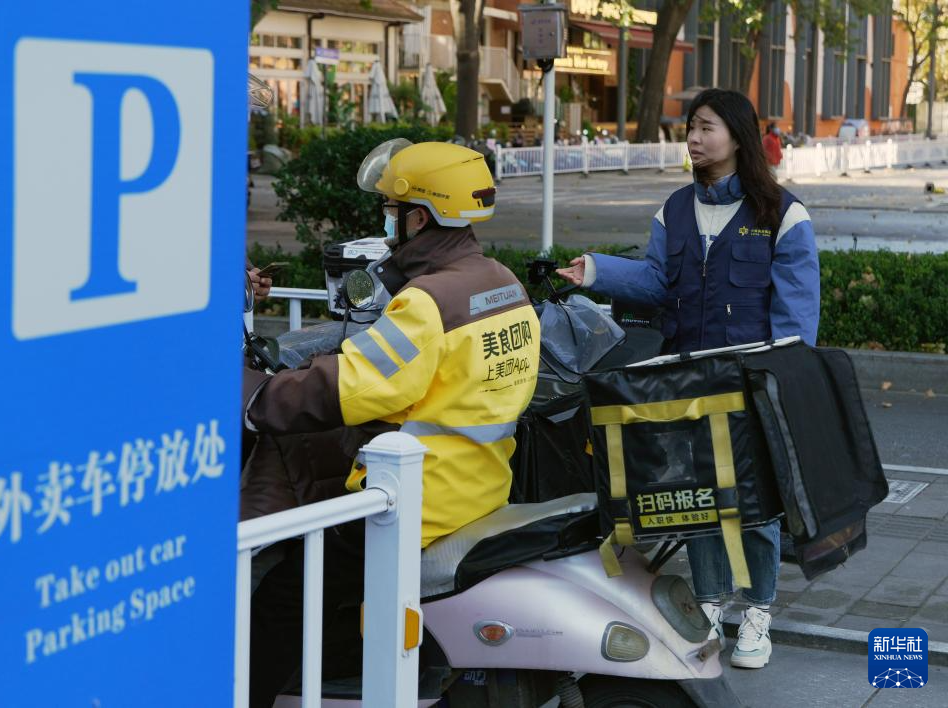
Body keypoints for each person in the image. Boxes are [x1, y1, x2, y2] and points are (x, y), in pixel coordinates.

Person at [243, 139, 540, 704]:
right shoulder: (502, 281)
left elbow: (353, 386)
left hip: (414, 504)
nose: (386, 220)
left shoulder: (428, 302)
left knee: (285, 595)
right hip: (480, 486)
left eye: (391, 209)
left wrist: (257, 398)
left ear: (419, 217)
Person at [557, 88, 820, 670]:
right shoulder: (674, 209)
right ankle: (708, 607)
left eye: (705, 128)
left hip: (751, 386)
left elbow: (797, 320)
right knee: (698, 500)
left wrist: (781, 387)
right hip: (685, 382)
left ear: (737, 136)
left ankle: (758, 613)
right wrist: (597, 270)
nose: (694, 139)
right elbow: (657, 282)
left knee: (754, 505)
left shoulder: (783, 214)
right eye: (691, 128)